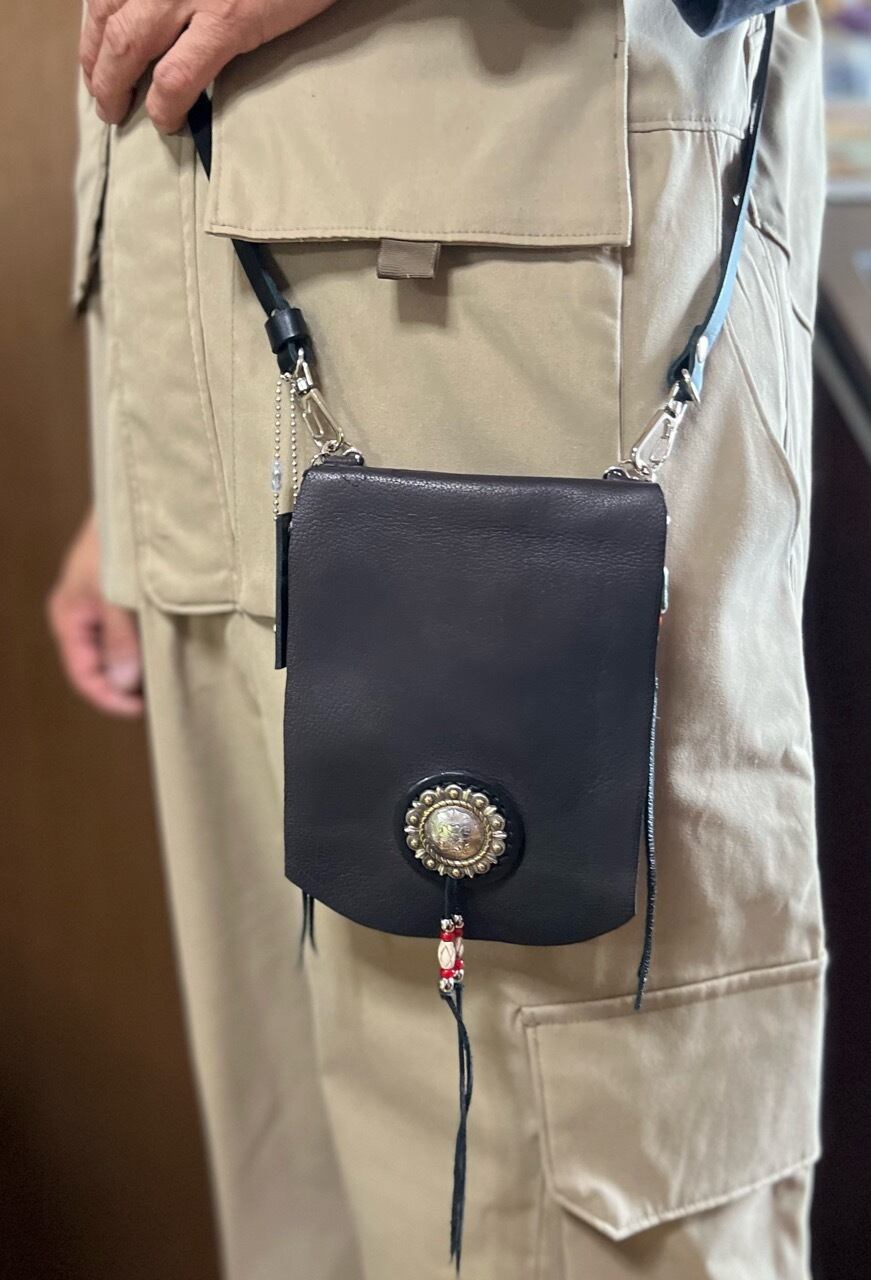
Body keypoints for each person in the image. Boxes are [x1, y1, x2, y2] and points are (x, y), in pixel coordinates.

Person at [50, 1, 827, 1276]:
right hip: (209, 314)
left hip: (515, 270)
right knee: (299, 1181)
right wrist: (151, 459)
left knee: (554, 1182)